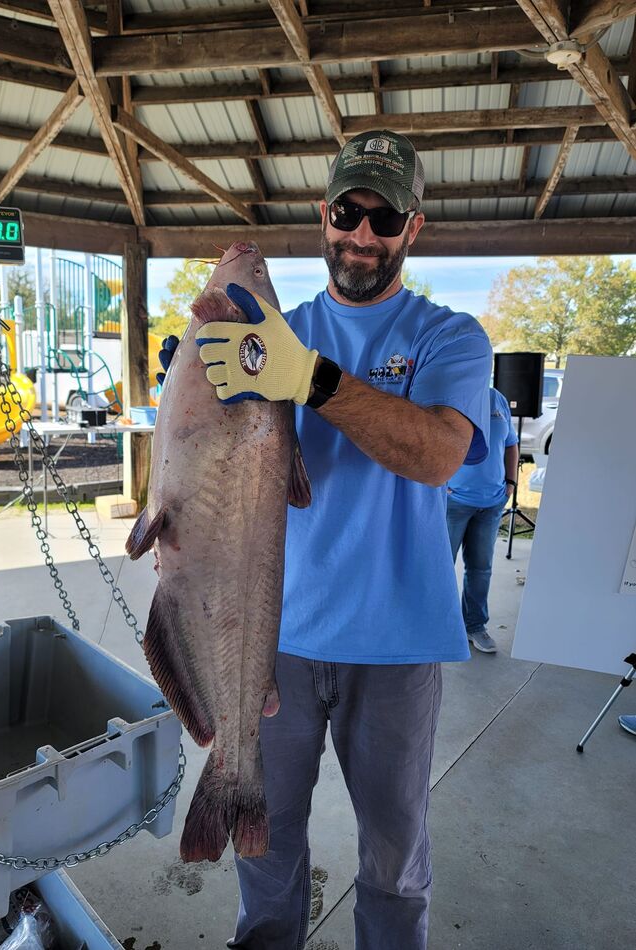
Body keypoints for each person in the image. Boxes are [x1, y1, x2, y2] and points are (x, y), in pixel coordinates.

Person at [163, 130, 492, 950]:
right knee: (266, 855)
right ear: (325, 214)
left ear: (413, 229)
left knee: (391, 858)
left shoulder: (450, 336)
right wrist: (187, 384)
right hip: (272, 639)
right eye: (349, 212)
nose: (362, 234)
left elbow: (439, 453)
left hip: (398, 645)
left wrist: (309, 379)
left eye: (385, 219)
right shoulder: (273, 325)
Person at [445, 387, 519, 654]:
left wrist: (511, 482)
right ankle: (437, 627)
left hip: (491, 503)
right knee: (441, 567)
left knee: (481, 569)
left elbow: (510, 442)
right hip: (453, 503)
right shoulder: (448, 394)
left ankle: (474, 625)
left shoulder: (497, 398)